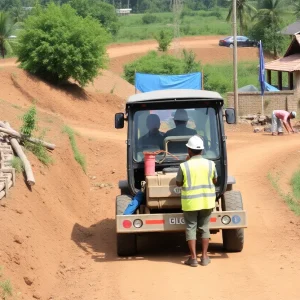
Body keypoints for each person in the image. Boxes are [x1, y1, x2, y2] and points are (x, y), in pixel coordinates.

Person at [176, 135, 217, 267]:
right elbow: (215, 180)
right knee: (204, 228)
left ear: (189, 150)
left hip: (190, 203)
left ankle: (193, 258)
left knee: (191, 228)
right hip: (207, 201)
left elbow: (178, 183)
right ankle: (204, 257)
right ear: (202, 150)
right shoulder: (211, 164)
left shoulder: (184, 166)